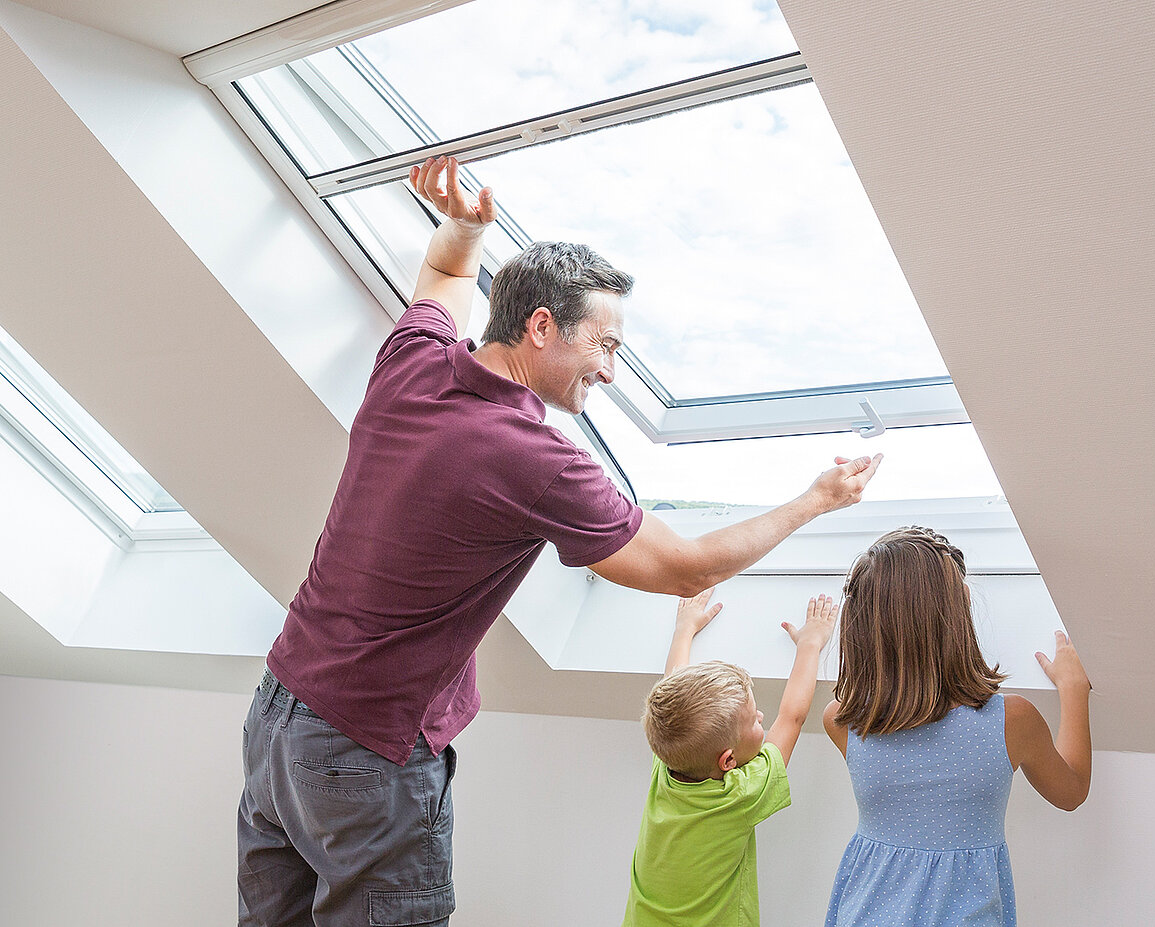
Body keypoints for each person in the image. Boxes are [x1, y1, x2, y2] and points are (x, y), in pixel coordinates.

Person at [237, 156, 882, 927]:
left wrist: (468, 228)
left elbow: (443, 271)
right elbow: (684, 568)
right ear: (542, 327)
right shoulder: (530, 455)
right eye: (605, 345)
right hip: (364, 749)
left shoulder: (412, 362)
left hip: (279, 717)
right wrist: (815, 499)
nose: (610, 371)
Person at [820, 526, 1092, 927]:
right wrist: (1073, 692)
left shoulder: (843, 721)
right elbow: (1071, 791)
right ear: (957, 615)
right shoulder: (1011, 721)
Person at [622, 588, 838, 926]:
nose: (762, 717)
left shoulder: (667, 762)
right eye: (753, 720)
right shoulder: (738, 793)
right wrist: (810, 644)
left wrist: (684, 629)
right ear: (728, 762)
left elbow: (673, 688)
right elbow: (791, 718)